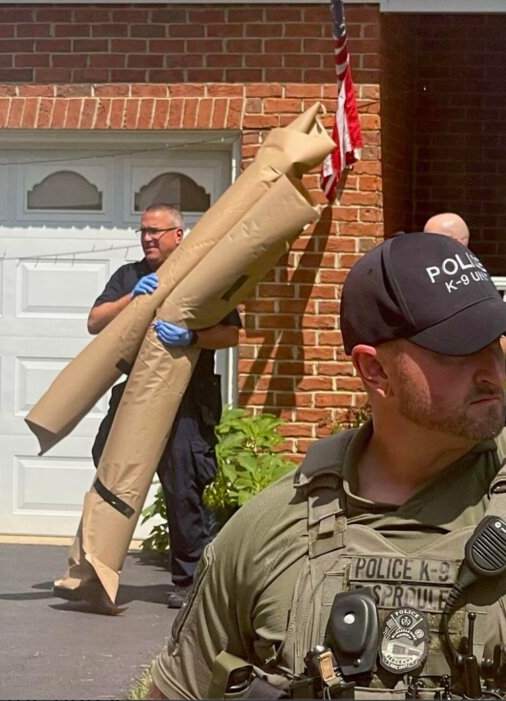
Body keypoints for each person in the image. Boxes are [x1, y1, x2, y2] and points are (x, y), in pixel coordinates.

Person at [149, 232, 506, 699]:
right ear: (374, 370)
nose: (493, 371)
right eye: (456, 349)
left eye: (495, 342)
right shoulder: (266, 533)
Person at [88, 203, 241, 610]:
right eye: (143, 231)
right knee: (109, 475)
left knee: (183, 487)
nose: (148, 238)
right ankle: (95, 574)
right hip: (135, 396)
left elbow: (231, 334)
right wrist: (130, 302)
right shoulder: (130, 276)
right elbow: (95, 321)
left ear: (179, 235)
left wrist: (190, 337)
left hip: (186, 401)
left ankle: (190, 582)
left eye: (156, 231)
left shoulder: (203, 276)